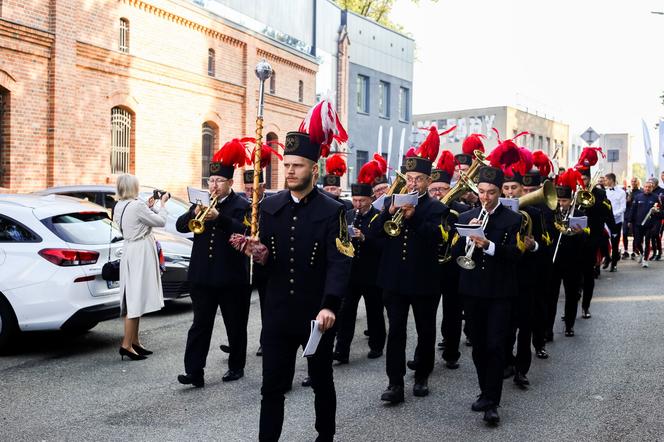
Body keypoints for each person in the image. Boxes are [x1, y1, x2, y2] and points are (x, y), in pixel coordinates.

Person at [241, 107, 352, 442]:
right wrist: (258, 256)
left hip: (316, 314)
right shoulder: (270, 207)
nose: (289, 171)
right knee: (271, 387)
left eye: (297, 165)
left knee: (321, 380)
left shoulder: (335, 211)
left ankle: (324, 436)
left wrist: (330, 305)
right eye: (286, 165)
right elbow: (269, 262)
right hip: (277, 313)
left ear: (313, 169)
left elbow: (341, 260)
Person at [377, 142, 449, 404]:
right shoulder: (390, 202)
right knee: (395, 331)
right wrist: (389, 212)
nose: (413, 183)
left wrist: (414, 217)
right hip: (394, 280)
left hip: (424, 281)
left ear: (428, 181)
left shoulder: (437, 209)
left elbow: (438, 239)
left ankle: (422, 374)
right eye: (409, 178)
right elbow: (375, 237)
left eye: (419, 179)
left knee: (425, 329)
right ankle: (394, 383)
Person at [177, 139, 251, 387]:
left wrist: (220, 218)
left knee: (235, 324)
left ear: (230, 182)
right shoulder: (200, 203)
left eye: (219, 181)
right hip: (203, 276)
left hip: (231, 277)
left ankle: (236, 366)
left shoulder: (242, 205)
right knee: (200, 325)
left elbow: (244, 231)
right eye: (211, 181)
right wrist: (192, 213)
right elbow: (180, 226)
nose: (214, 185)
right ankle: (194, 371)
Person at [452, 165, 522, 425]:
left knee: (495, 346)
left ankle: (492, 402)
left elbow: (516, 254)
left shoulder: (513, 219)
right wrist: (468, 236)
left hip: (500, 292)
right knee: (479, 345)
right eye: (481, 191)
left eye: (491, 192)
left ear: (500, 192)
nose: (485, 197)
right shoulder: (468, 214)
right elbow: (455, 250)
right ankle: (484, 391)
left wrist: (489, 245)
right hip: (472, 290)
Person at [333, 159, 386, 364]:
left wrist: (364, 238)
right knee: (346, 312)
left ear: (370, 199)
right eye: (355, 200)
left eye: (361, 201)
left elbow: (383, 245)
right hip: (351, 272)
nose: (357, 205)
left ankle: (376, 344)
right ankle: (342, 350)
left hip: (371, 272)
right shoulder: (347, 215)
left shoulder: (378, 217)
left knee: (374, 311)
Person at [113, 174, 169, 361]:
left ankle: (134, 341)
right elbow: (160, 222)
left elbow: (136, 221)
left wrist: (149, 207)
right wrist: (162, 205)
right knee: (135, 298)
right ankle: (127, 345)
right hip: (140, 251)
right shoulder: (137, 205)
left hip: (130, 250)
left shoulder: (120, 205)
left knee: (134, 295)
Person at [501, 170, 544, 387]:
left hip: (526, 277)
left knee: (525, 326)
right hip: (504, 276)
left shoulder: (534, 213)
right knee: (506, 326)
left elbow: (545, 244)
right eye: (506, 188)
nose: (510, 192)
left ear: (521, 189)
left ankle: (522, 370)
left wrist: (534, 246)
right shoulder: (496, 213)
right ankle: (507, 362)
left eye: (514, 188)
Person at [547, 177, 588, 338]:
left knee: (571, 295)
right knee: (551, 297)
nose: (561, 203)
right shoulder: (551, 213)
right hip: (554, 260)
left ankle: (569, 325)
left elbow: (586, 240)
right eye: (559, 200)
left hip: (573, 261)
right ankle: (547, 329)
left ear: (571, 200)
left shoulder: (579, 214)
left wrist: (579, 234)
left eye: (564, 200)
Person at [630, 180, 662, 267]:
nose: (647, 188)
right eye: (646, 187)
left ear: (652, 188)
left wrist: (657, 211)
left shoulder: (656, 197)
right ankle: (641, 253)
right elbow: (633, 210)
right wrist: (630, 221)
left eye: (649, 187)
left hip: (650, 225)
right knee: (637, 242)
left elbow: (661, 211)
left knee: (647, 242)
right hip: (638, 224)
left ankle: (645, 260)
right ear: (643, 187)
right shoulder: (638, 197)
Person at [604, 173, 626, 272]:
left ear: (611, 180)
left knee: (615, 243)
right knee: (603, 240)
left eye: (606, 180)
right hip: (606, 221)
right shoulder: (605, 192)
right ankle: (607, 258)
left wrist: (612, 214)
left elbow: (623, 207)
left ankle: (614, 264)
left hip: (616, 221)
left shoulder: (621, 192)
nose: (605, 182)